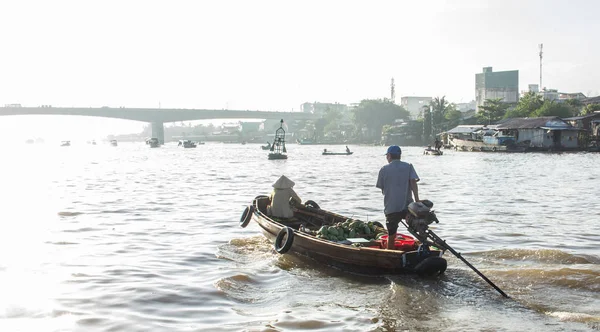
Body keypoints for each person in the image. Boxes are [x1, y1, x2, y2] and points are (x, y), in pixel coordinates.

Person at [376, 145, 420, 250]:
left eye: (387, 156)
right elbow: (413, 183)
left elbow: (382, 188)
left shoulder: (384, 169)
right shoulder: (408, 166)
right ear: (399, 156)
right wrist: (417, 200)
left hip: (391, 207)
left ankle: (391, 253)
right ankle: (421, 246)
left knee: (391, 235)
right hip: (408, 207)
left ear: (389, 156)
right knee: (417, 229)